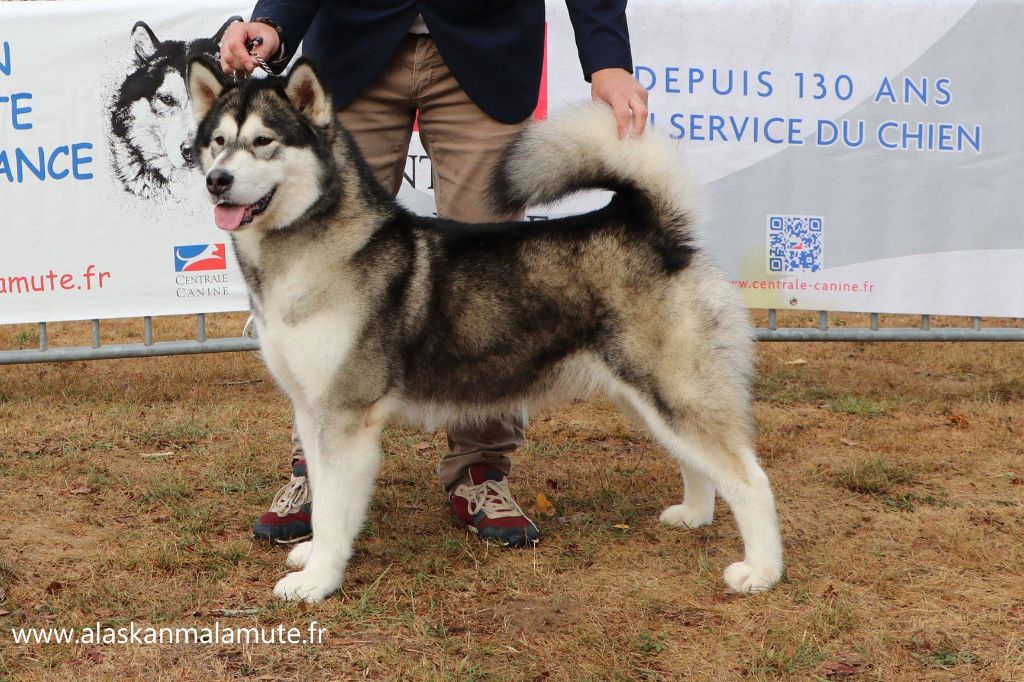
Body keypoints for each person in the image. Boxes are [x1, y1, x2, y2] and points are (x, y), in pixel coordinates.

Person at [220, 0, 648, 549]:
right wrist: (275, 23)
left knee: (492, 284)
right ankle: (317, 471)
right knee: (323, 268)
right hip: (353, 50)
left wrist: (606, 58)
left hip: (485, 49)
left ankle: (481, 471)